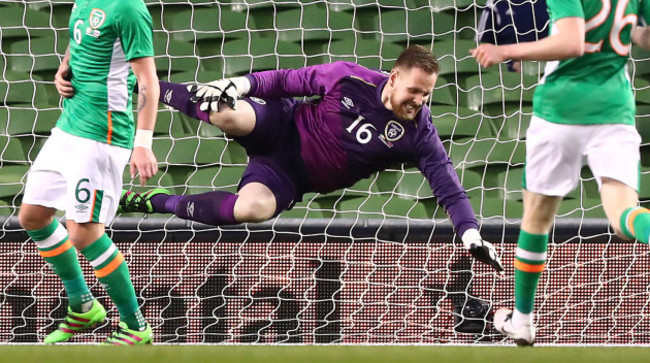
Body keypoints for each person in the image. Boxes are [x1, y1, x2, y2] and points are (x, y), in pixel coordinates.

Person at [119, 45, 505, 275]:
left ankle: (152, 201)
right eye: (415, 91)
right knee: (226, 110)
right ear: (393, 78)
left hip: (288, 175)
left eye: (426, 95)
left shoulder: (419, 133)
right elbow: (287, 80)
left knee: (253, 209)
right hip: (280, 125)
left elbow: (448, 187)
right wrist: (239, 84)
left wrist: (470, 234)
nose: (419, 101)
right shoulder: (349, 78)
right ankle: (139, 84)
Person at [471, 0, 650, 346]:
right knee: (623, 215)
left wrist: (505, 50)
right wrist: (628, 33)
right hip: (614, 108)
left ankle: (522, 321)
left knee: (536, 220)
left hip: (561, 109)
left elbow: (570, 42)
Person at [18, 0, 160, 345]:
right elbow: (78, 39)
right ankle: (83, 306)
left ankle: (135, 326)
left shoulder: (128, 8)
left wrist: (142, 143)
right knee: (33, 216)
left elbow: (147, 80)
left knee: (82, 233)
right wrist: (63, 68)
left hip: (102, 134)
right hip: (68, 126)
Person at [476, 0, 549, 72]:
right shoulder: (496, 3)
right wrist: (508, 64)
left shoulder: (554, 3)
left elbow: (558, 42)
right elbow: (480, 47)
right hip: (507, 75)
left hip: (549, 67)